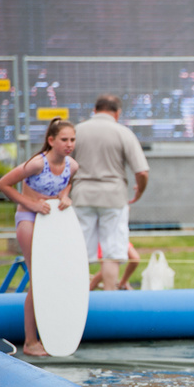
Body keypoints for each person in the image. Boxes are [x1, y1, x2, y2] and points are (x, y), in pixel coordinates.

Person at [0, 118, 79, 356]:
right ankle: (30, 341)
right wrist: (31, 204)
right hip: (29, 221)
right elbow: (4, 184)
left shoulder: (72, 165)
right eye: (64, 139)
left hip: (52, 222)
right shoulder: (36, 164)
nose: (69, 144)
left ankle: (54, 331)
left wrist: (65, 196)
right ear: (51, 140)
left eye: (72, 139)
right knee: (38, 278)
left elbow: (66, 183)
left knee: (54, 276)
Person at [72, 94, 149, 291]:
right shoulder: (122, 132)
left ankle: (76, 296)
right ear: (118, 112)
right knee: (111, 253)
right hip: (114, 197)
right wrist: (139, 191)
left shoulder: (77, 131)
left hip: (82, 196)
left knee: (79, 251)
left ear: (95, 110)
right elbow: (141, 171)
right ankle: (109, 297)